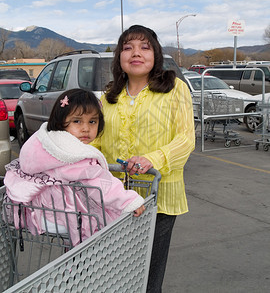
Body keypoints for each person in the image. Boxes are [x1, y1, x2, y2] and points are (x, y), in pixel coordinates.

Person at [91, 25, 195, 292]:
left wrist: (153, 159)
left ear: (155, 55)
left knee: (148, 275)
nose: (136, 53)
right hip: (114, 198)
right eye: (128, 47)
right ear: (119, 57)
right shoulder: (109, 97)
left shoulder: (175, 89)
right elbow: (95, 141)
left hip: (157, 197)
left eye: (144, 47)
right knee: (115, 271)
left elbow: (185, 139)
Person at [4, 89, 145, 246]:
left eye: (92, 122)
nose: (85, 128)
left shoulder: (44, 142)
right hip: (61, 216)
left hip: (38, 211)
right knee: (106, 219)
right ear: (60, 121)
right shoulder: (73, 155)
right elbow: (100, 184)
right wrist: (129, 201)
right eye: (77, 121)